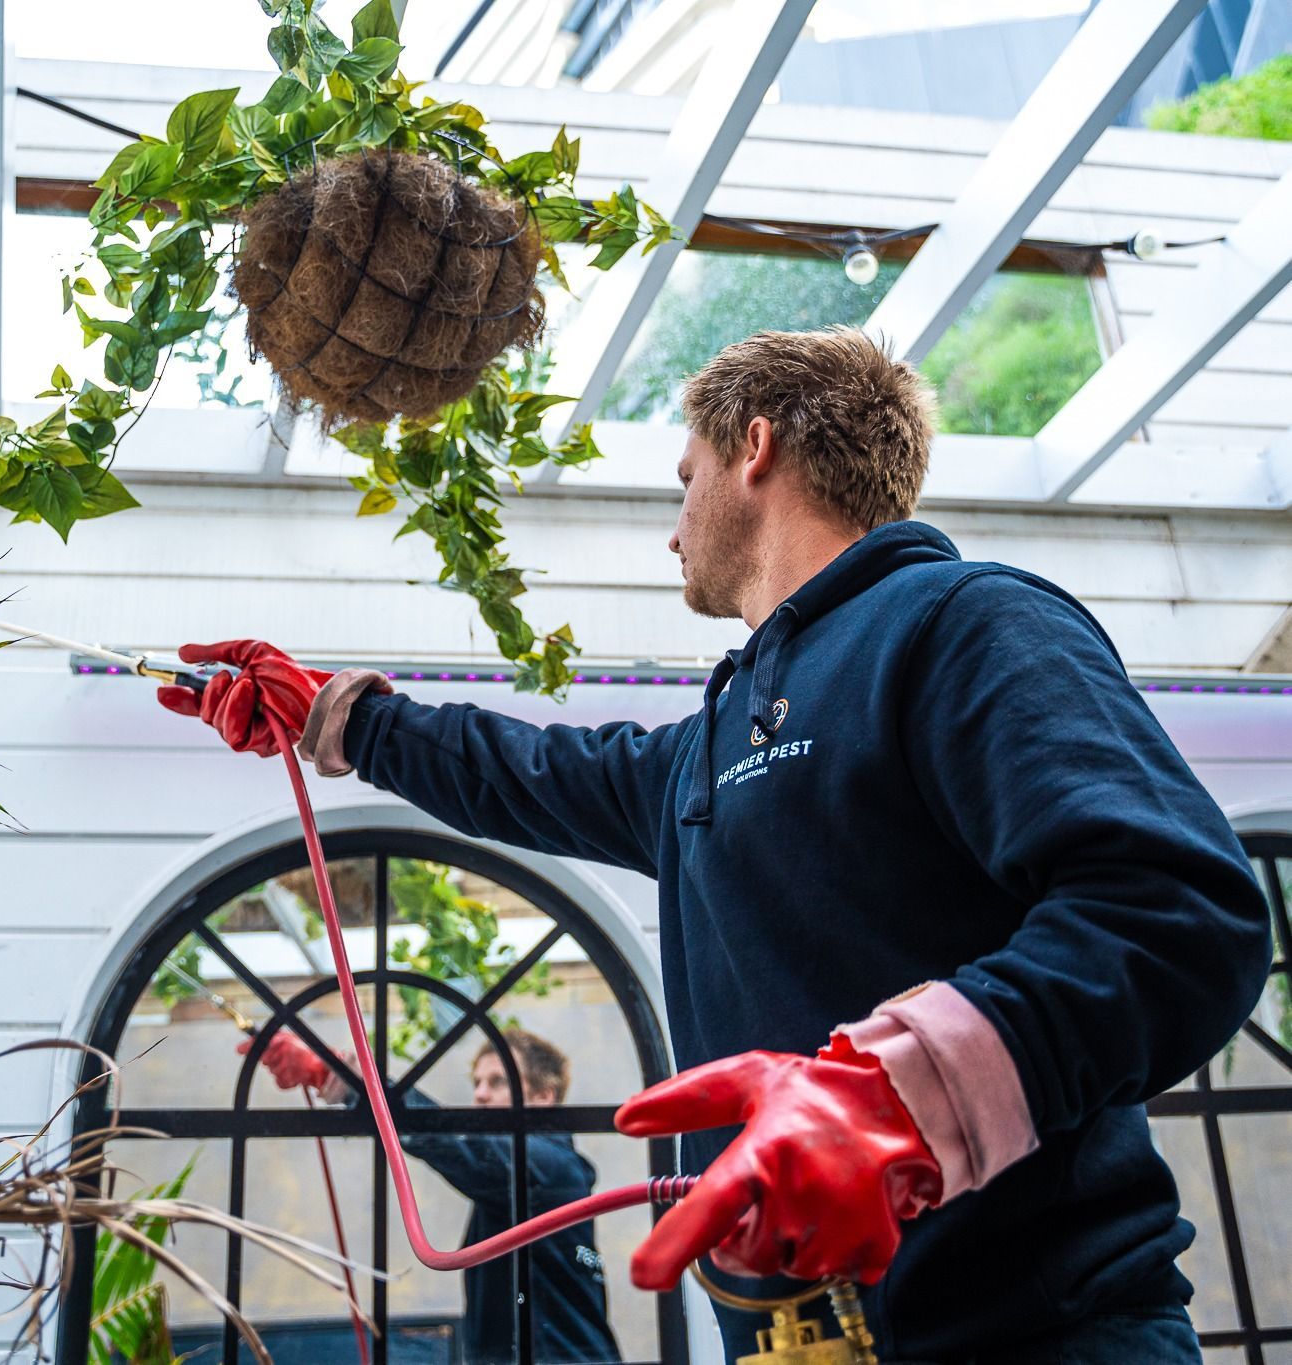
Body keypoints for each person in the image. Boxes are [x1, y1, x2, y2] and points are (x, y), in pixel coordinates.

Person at [162, 326, 1271, 1364]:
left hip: (1041, 1334)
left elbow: (1174, 913)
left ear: (756, 446)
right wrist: (340, 719)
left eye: (682, 479)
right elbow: (531, 773)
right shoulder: (712, 746)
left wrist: (890, 1097)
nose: (671, 521)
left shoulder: (963, 621)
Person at [246, 1024, 621, 1364]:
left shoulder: (549, 1167)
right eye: (477, 1082)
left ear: (543, 1097)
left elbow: (457, 1144)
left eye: (498, 1082)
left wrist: (349, 1080)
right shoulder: (527, 1179)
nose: (480, 1095)